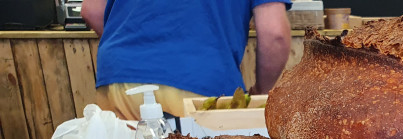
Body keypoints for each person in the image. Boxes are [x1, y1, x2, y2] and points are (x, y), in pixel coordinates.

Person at [81, 0, 292, 120]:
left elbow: (91, 10)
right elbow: (275, 34)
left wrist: (129, 53)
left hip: (118, 80)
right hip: (197, 82)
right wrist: (262, 92)